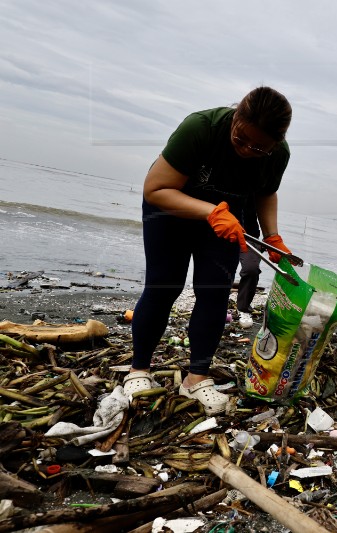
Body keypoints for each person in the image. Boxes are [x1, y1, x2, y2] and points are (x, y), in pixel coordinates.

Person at [125, 87, 294, 415]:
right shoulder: (201, 128)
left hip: (225, 217)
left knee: (215, 294)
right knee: (164, 286)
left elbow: (265, 193)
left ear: (276, 142)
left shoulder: (278, 155)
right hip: (170, 210)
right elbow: (156, 188)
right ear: (235, 117)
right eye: (240, 139)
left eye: (259, 147)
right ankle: (138, 371)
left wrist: (272, 236)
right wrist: (209, 211)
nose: (247, 150)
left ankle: (196, 379)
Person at [236, 196, 262, 328]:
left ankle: (243, 308)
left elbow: (265, 201)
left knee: (251, 269)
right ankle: (213, 305)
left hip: (250, 236)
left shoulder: (257, 182)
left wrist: (271, 236)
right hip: (222, 230)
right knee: (218, 272)